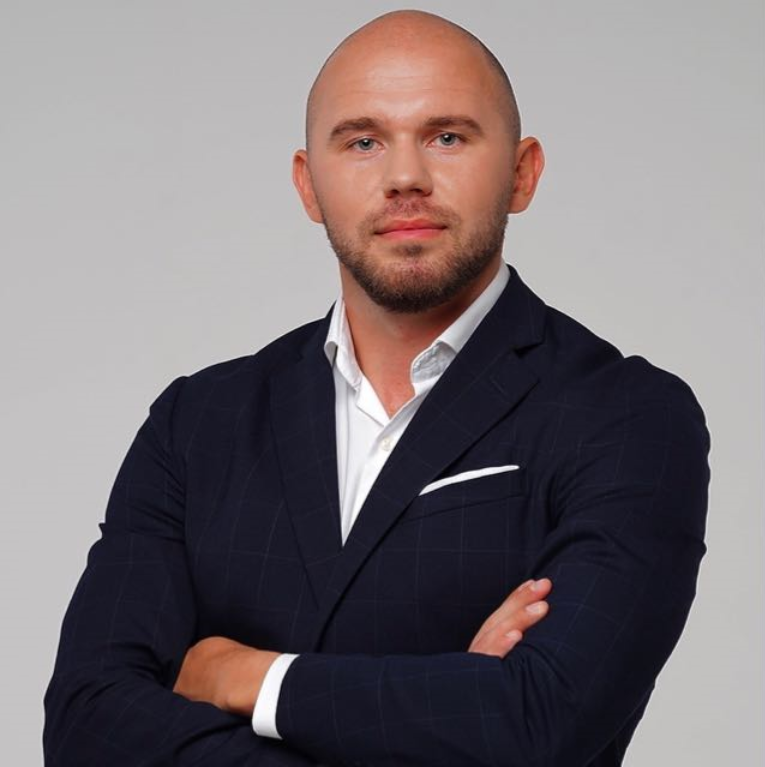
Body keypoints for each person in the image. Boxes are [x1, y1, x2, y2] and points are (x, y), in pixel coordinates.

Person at [43, 9, 711, 767]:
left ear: (522, 173)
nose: (404, 178)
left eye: (447, 136)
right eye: (362, 141)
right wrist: (451, 705)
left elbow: (539, 721)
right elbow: (85, 725)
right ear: (309, 186)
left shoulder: (628, 415)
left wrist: (243, 677)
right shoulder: (197, 423)